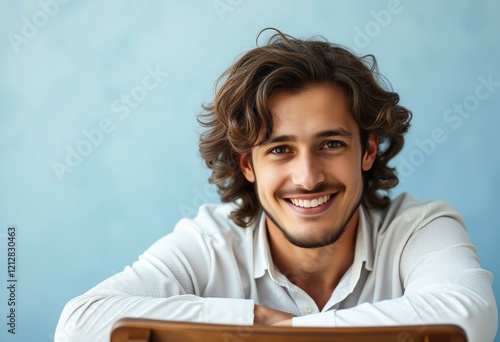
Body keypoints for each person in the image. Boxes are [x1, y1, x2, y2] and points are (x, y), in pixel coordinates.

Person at [55, 29, 498, 341]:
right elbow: (81, 324)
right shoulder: (212, 242)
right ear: (248, 165)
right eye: (280, 149)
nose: (307, 177)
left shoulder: (419, 228)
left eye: (330, 143)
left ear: (367, 151)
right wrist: (254, 318)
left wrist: (281, 333)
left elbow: (469, 317)